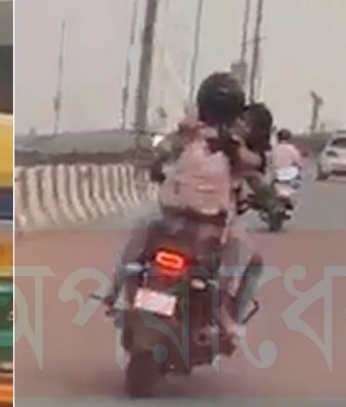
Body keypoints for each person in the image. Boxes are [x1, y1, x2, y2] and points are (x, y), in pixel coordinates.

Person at [110, 72, 265, 339]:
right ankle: (226, 318)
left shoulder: (188, 133)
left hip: (170, 218)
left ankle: (115, 291)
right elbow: (255, 168)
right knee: (237, 257)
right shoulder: (232, 145)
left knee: (139, 236)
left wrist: (160, 167)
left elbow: (161, 155)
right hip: (210, 226)